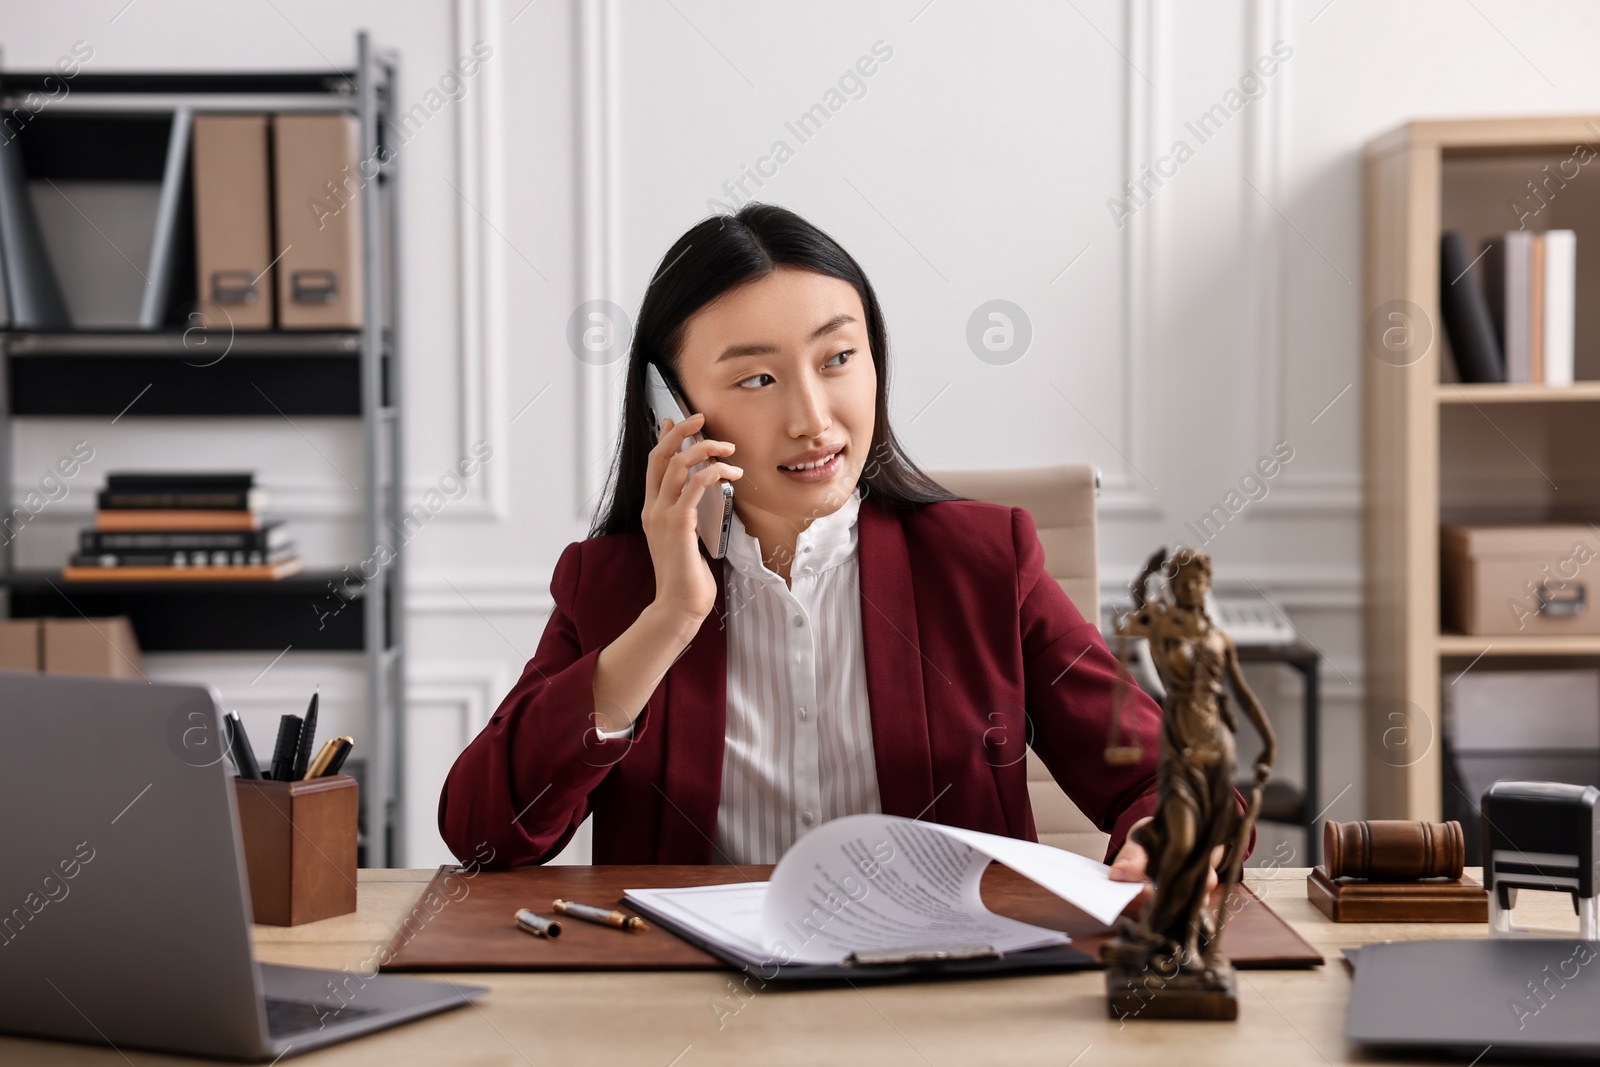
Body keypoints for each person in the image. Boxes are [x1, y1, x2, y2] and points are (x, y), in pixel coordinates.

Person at [438, 203, 1254, 874]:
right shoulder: (611, 585)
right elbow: (481, 832)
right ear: (671, 408)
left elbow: (1166, 776)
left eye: (838, 358)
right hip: (691, 1016)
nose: (813, 418)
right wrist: (669, 618)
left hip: (943, 1001)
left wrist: (1173, 834)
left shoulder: (983, 563)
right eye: (757, 378)